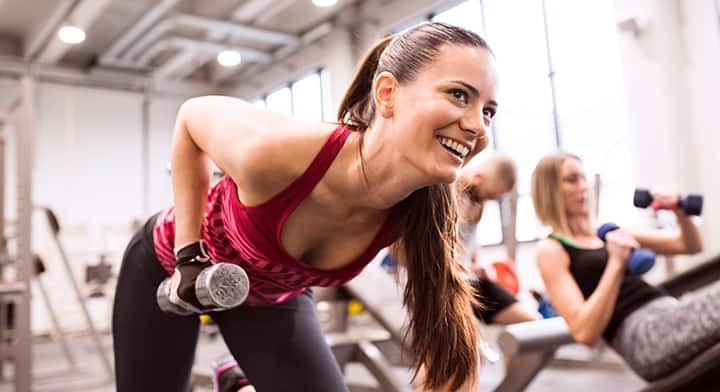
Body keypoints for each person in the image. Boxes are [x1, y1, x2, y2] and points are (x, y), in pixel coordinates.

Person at [111, 22, 499, 392]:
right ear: (386, 94)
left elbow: (442, 328)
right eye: (458, 95)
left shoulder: (418, 211)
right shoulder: (274, 154)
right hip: (164, 268)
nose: (478, 127)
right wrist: (188, 254)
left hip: (272, 297)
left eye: (488, 111)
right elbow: (191, 117)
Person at [210, 153, 538, 392]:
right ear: (479, 178)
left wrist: (472, 265)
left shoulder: (475, 203)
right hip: (420, 279)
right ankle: (240, 373)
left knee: (528, 327)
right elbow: (402, 248)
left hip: (461, 278)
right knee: (442, 356)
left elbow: (467, 244)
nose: (489, 200)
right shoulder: (438, 189)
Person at [531, 152, 717, 382]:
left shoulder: (605, 232)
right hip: (642, 335)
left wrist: (679, 210)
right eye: (571, 180)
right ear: (549, 189)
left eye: (583, 178)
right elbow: (584, 332)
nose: (583, 187)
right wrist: (616, 263)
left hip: (670, 312)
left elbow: (689, 245)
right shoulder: (551, 249)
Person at [455, 153, 539, 325]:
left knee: (532, 322)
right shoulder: (451, 193)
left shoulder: (477, 200)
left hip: (467, 279)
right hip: (452, 282)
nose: (488, 200)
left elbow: (469, 240)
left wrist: (477, 264)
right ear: (479, 177)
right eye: (489, 194)